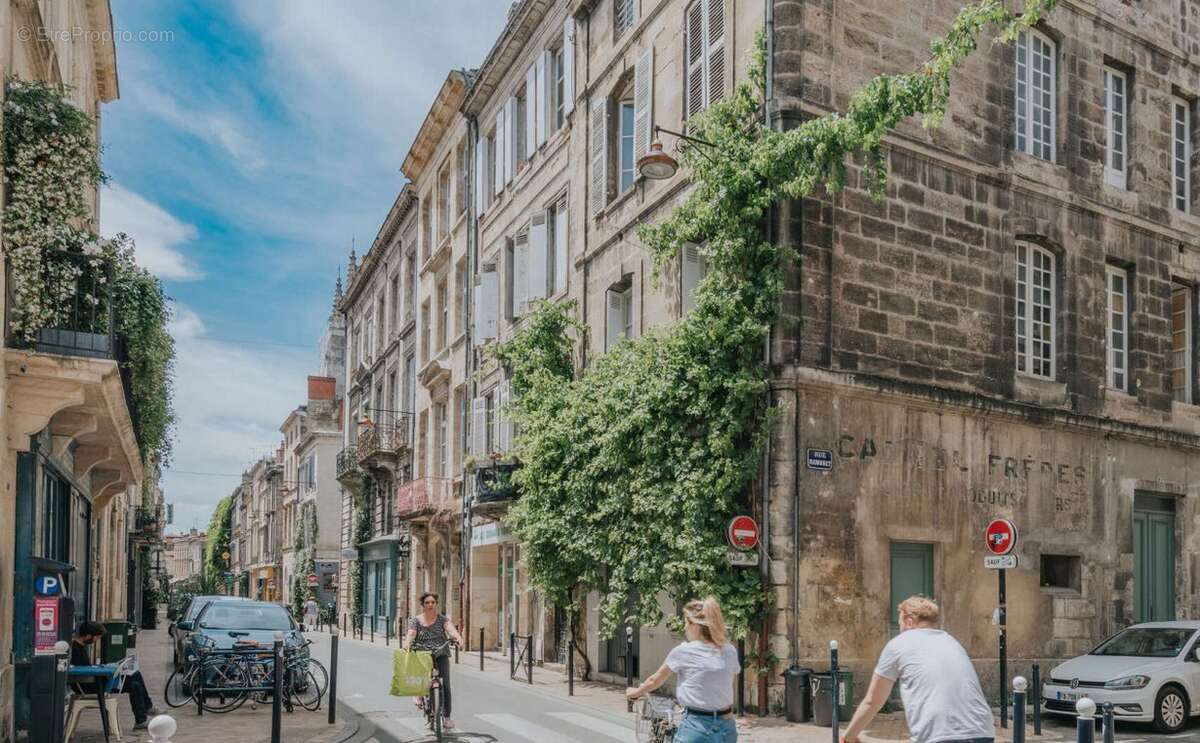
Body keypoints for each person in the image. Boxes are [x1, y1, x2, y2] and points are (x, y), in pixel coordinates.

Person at [842, 596, 994, 743]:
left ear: (909, 622)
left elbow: (873, 702)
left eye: (900, 622)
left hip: (938, 735)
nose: (900, 628)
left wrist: (848, 737)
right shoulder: (951, 641)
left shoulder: (898, 644)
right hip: (982, 731)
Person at [625, 596, 740, 743]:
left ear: (695, 625)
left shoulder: (685, 651)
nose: (685, 628)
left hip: (696, 726)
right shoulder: (729, 650)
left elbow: (655, 680)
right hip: (726, 728)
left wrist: (634, 692)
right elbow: (727, 684)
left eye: (686, 622)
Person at [71, 621, 161, 730]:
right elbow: (81, 670)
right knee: (134, 683)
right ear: (89, 635)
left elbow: (86, 667)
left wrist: (103, 667)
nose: (96, 640)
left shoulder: (80, 646)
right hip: (87, 685)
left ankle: (145, 713)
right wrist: (100, 669)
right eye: (97, 637)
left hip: (93, 680)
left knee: (135, 675)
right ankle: (142, 717)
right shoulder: (75, 649)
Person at [403, 593, 465, 729]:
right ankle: (417, 693)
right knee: (419, 676)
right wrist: (407, 643)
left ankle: (447, 717)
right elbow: (411, 633)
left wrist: (458, 638)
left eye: (433, 602)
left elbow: (450, 629)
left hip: (440, 652)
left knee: (446, 685)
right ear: (423, 605)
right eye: (427, 603)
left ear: (436, 604)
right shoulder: (416, 621)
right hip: (422, 653)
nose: (430, 605)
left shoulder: (442, 619)